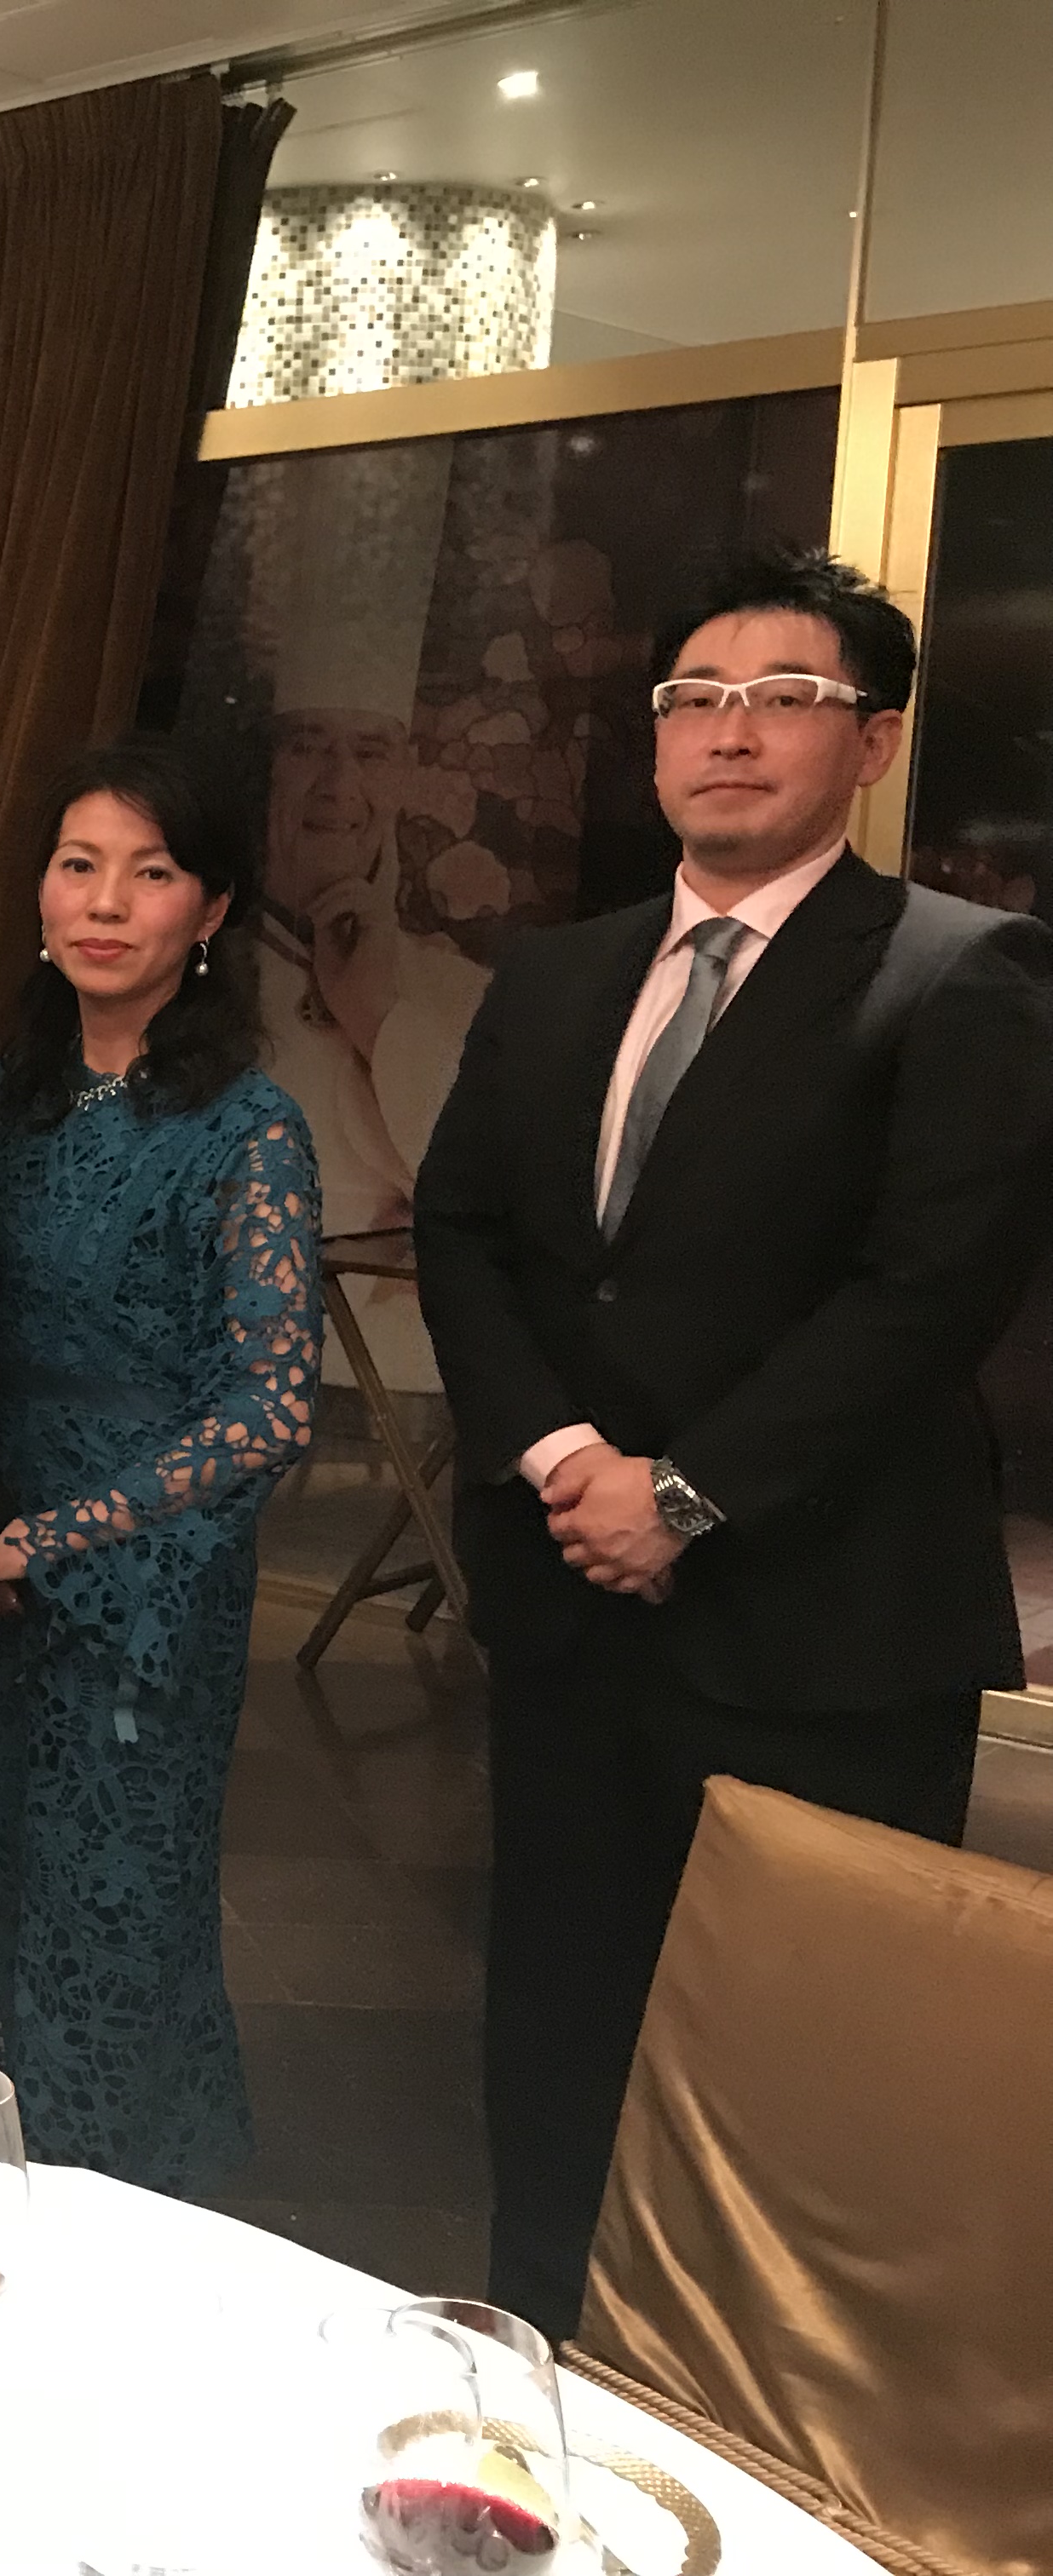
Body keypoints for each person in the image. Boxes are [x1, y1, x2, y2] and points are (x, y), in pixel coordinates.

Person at [415, 545, 1053, 2338]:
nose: (730, 732)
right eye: (694, 698)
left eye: (785, 698)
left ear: (874, 740)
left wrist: (686, 1494)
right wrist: (564, 1459)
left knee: (794, 2061)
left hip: (818, 1632)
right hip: (575, 1611)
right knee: (555, 2019)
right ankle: (535, 2364)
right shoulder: (560, 975)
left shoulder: (961, 973)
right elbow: (464, 1230)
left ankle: (750, 2418)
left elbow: (927, 1293)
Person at [0, 741, 319, 2194]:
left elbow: (268, 1407)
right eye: (79, 865)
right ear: (37, 894)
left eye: (149, 874)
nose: (105, 902)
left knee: (115, 1916)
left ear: (208, 912)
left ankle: (121, 2212)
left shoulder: (246, 1129)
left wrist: (56, 1538)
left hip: (145, 1590)